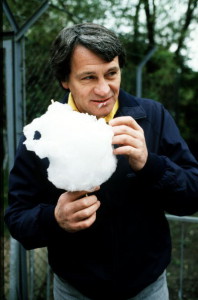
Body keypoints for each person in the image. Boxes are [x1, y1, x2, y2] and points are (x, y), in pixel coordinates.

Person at [5, 23, 198, 300]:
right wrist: (53, 218)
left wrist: (150, 164)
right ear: (65, 80)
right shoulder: (40, 136)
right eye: (88, 78)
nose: (104, 89)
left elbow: (192, 195)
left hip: (148, 287)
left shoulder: (152, 117)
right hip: (75, 289)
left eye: (112, 73)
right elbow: (17, 218)